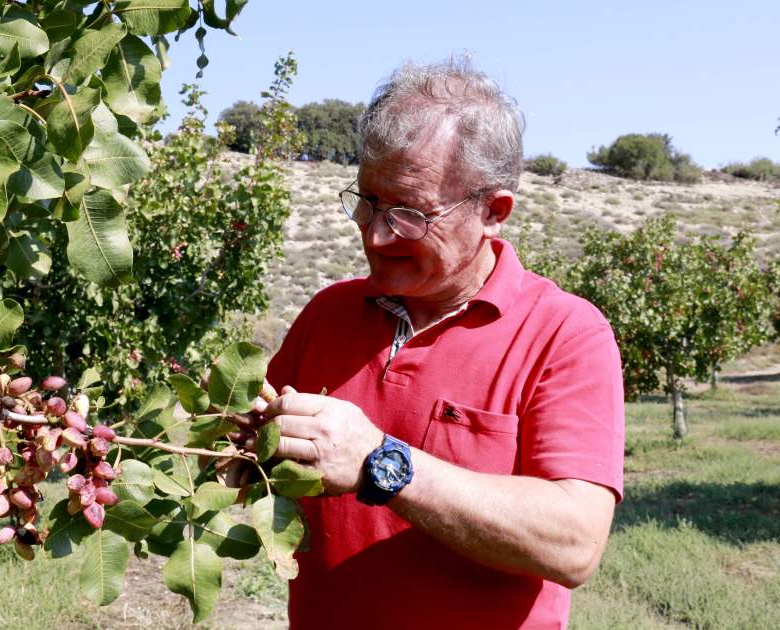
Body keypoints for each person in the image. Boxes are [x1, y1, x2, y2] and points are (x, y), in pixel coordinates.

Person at [261, 58, 625, 629]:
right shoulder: (328, 312)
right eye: (367, 202)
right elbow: (259, 448)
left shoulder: (565, 334)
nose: (377, 235)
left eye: (409, 213)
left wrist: (381, 463)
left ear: (493, 211)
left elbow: (574, 543)